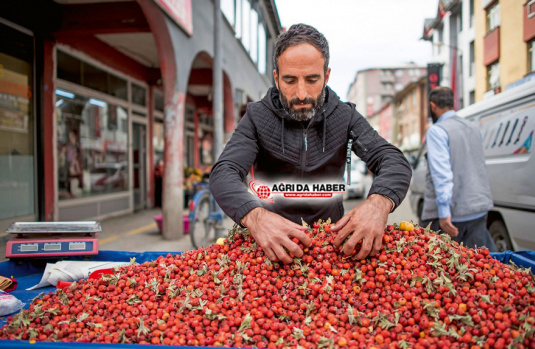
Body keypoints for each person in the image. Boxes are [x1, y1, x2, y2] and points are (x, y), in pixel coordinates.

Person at [210, 24, 412, 264]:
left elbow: (392, 159)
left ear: (326, 76)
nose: (302, 93)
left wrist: (378, 203)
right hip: (269, 248)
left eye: (312, 79)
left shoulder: (344, 116)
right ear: (276, 78)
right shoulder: (257, 117)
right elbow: (224, 173)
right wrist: (255, 217)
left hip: (330, 250)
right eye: (290, 80)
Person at [421, 86, 497, 251]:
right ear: (453, 103)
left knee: (441, 269)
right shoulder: (474, 128)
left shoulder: (437, 131)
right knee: (477, 267)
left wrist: (443, 211)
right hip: (477, 208)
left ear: (432, 106)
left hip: (451, 215)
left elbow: (442, 174)